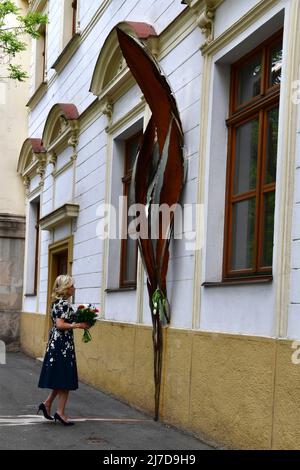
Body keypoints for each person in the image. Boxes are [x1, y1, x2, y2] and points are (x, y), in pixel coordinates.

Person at [37, 274, 89, 426]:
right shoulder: (63, 304)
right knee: (65, 379)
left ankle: (46, 404)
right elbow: (60, 324)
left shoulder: (57, 303)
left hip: (58, 344)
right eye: (72, 285)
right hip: (62, 346)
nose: (74, 288)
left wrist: (83, 319)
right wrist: (78, 325)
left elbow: (62, 321)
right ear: (66, 288)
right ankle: (60, 413)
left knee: (60, 377)